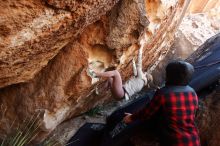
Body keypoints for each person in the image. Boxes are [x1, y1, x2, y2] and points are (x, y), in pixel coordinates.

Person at [123, 61, 201, 146]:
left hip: (175, 141)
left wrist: (131, 117)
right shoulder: (192, 92)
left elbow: (146, 113)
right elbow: (192, 113)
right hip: (194, 140)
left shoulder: (164, 94)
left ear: (169, 76)